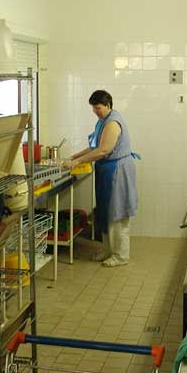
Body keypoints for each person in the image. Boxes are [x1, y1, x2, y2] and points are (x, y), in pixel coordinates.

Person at [63, 90, 138, 267]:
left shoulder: (112, 123)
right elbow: (94, 146)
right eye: (93, 108)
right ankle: (108, 250)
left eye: (98, 108)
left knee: (117, 213)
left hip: (117, 171)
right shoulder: (102, 121)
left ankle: (121, 255)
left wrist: (78, 161)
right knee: (105, 213)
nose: (95, 111)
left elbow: (104, 150)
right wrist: (76, 156)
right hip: (106, 171)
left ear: (108, 105)